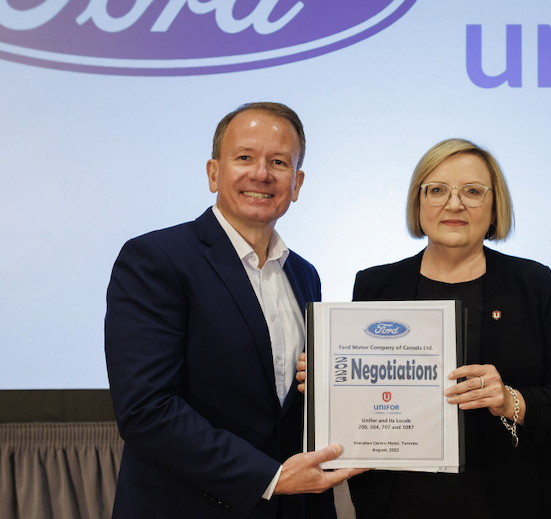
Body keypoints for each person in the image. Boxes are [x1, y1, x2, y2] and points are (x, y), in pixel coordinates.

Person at [300, 138, 551, 517]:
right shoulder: (376, 285)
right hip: (398, 499)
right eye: (437, 190)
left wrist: (509, 401)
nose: (454, 204)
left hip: (508, 496)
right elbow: (363, 395)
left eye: (472, 191)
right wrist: (328, 384)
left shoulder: (530, 282)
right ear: (418, 204)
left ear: (494, 205)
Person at [105, 102, 361, 519]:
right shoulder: (156, 260)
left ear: (296, 183)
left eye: (278, 162)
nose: (261, 173)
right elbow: (146, 411)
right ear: (213, 173)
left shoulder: (304, 275)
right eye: (244, 157)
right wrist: (269, 478)